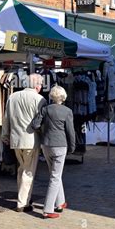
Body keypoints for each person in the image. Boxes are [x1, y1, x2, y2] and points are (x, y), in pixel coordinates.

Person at [2, 74, 47, 212]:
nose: (41, 87)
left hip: (16, 139)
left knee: (22, 169)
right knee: (28, 171)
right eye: (41, 85)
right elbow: (42, 124)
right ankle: (22, 203)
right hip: (31, 140)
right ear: (37, 85)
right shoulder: (40, 99)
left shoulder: (13, 97)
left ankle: (24, 197)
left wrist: (5, 135)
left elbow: (6, 118)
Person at [31, 85, 75, 219]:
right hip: (60, 146)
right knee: (55, 177)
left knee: (55, 174)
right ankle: (48, 209)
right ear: (63, 97)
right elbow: (70, 132)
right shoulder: (67, 111)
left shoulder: (45, 109)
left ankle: (60, 202)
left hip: (46, 144)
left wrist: (44, 132)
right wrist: (72, 147)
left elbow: (35, 125)